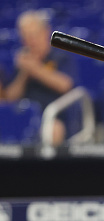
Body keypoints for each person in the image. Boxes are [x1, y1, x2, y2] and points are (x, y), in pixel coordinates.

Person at [3, 10, 75, 146]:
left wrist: (35, 69)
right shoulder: (23, 61)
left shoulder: (60, 55)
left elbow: (65, 85)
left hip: (55, 116)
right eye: (26, 37)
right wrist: (24, 73)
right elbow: (11, 97)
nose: (31, 41)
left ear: (46, 32)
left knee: (54, 129)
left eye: (34, 35)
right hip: (23, 117)